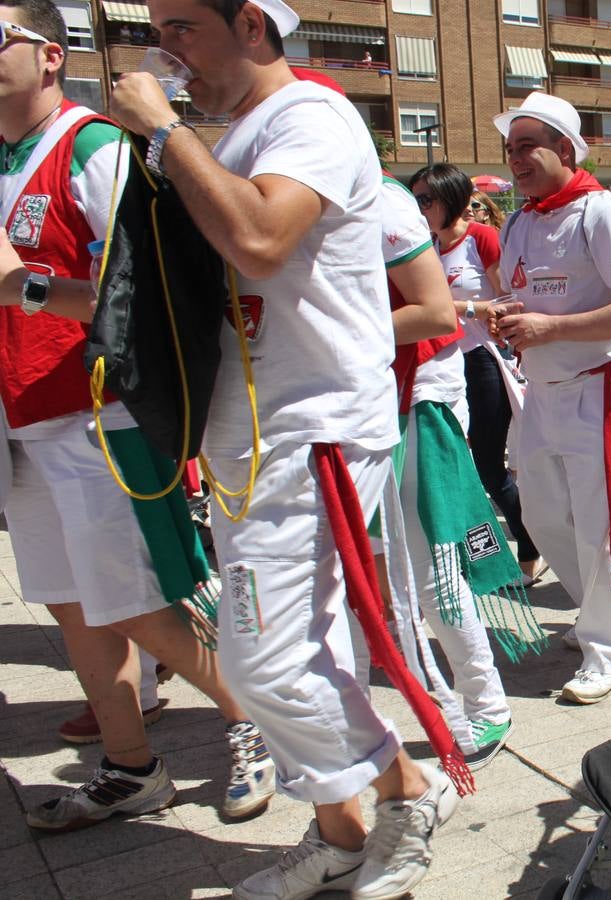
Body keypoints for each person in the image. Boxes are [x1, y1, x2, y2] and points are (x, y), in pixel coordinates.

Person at [108, 0, 461, 895]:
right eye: (160, 28)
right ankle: (341, 835)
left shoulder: (312, 116)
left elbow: (260, 240)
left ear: (255, 26)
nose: (165, 48)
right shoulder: (234, 137)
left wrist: (160, 127)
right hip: (247, 437)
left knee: (264, 665)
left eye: (183, 25)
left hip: (317, 432)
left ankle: (408, 791)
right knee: (284, 655)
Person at [0, 0, 274, 831]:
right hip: (24, 419)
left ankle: (258, 720)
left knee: (146, 599)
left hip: (101, 416)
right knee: (72, 603)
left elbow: (148, 295)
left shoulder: (94, 145)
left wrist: (25, 286)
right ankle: (130, 768)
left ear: (50, 55)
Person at [494, 92, 611, 704]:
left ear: (565, 147)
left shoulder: (604, 214)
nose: (516, 159)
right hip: (541, 390)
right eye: (511, 148)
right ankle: (595, 614)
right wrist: (507, 317)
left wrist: (550, 328)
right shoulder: (519, 220)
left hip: (599, 388)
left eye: (528, 146)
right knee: (538, 515)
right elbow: (519, 295)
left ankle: (608, 651)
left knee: (598, 525)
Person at [409, 163, 543, 585]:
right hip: (437, 365)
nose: (418, 207)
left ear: (450, 200)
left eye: (425, 199)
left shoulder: (481, 239)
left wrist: (485, 315)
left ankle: (530, 546)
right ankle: (472, 557)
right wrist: (469, 309)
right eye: (414, 199)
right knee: (458, 467)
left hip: (483, 361)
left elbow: (509, 301)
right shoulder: (421, 247)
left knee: (488, 467)